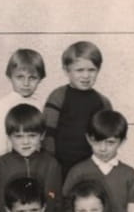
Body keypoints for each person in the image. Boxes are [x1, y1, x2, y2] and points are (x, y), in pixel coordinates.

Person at [0, 104, 62, 212]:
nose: (25, 142)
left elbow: (56, 203)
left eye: (32, 135)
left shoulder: (51, 164)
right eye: (19, 136)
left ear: (42, 135)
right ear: (9, 137)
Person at [43, 41, 112, 177]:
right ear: (66, 70)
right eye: (79, 70)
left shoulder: (103, 102)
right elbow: (48, 133)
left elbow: (108, 136)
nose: (86, 76)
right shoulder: (58, 96)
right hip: (60, 166)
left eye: (91, 70)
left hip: (91, 167)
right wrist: (50, 163)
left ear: (98, 70)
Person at [0, 49, 46, 162]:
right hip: (10, 162)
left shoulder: (40, 104)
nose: (26, 83)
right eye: (20, 77)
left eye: (32, 78)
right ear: (10, 77)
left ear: (40, 79)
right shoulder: (4, 105)